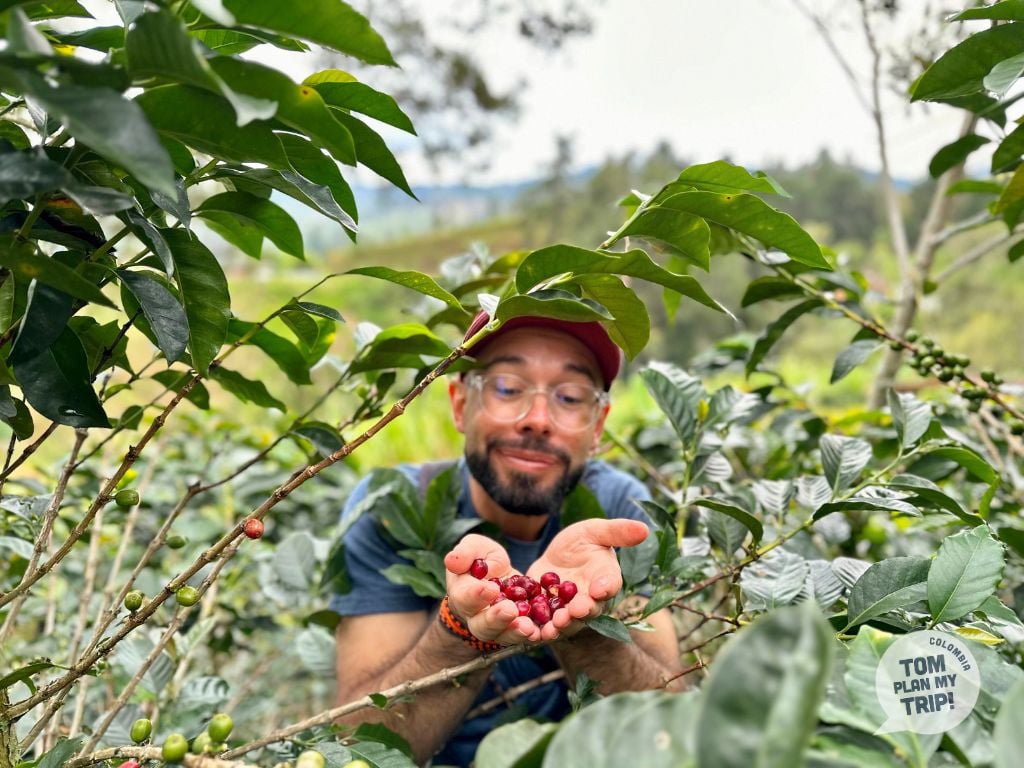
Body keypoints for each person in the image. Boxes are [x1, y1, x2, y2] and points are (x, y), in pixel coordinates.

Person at [331, 311, 685, 767]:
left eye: (570, 396)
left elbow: (669, 729)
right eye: (507, 388)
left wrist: (585, 629)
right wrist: (462, 629)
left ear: (598, 427)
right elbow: (352, 745)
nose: (537, 419)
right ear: (460, 405)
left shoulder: (621, 511)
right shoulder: (393, 506)